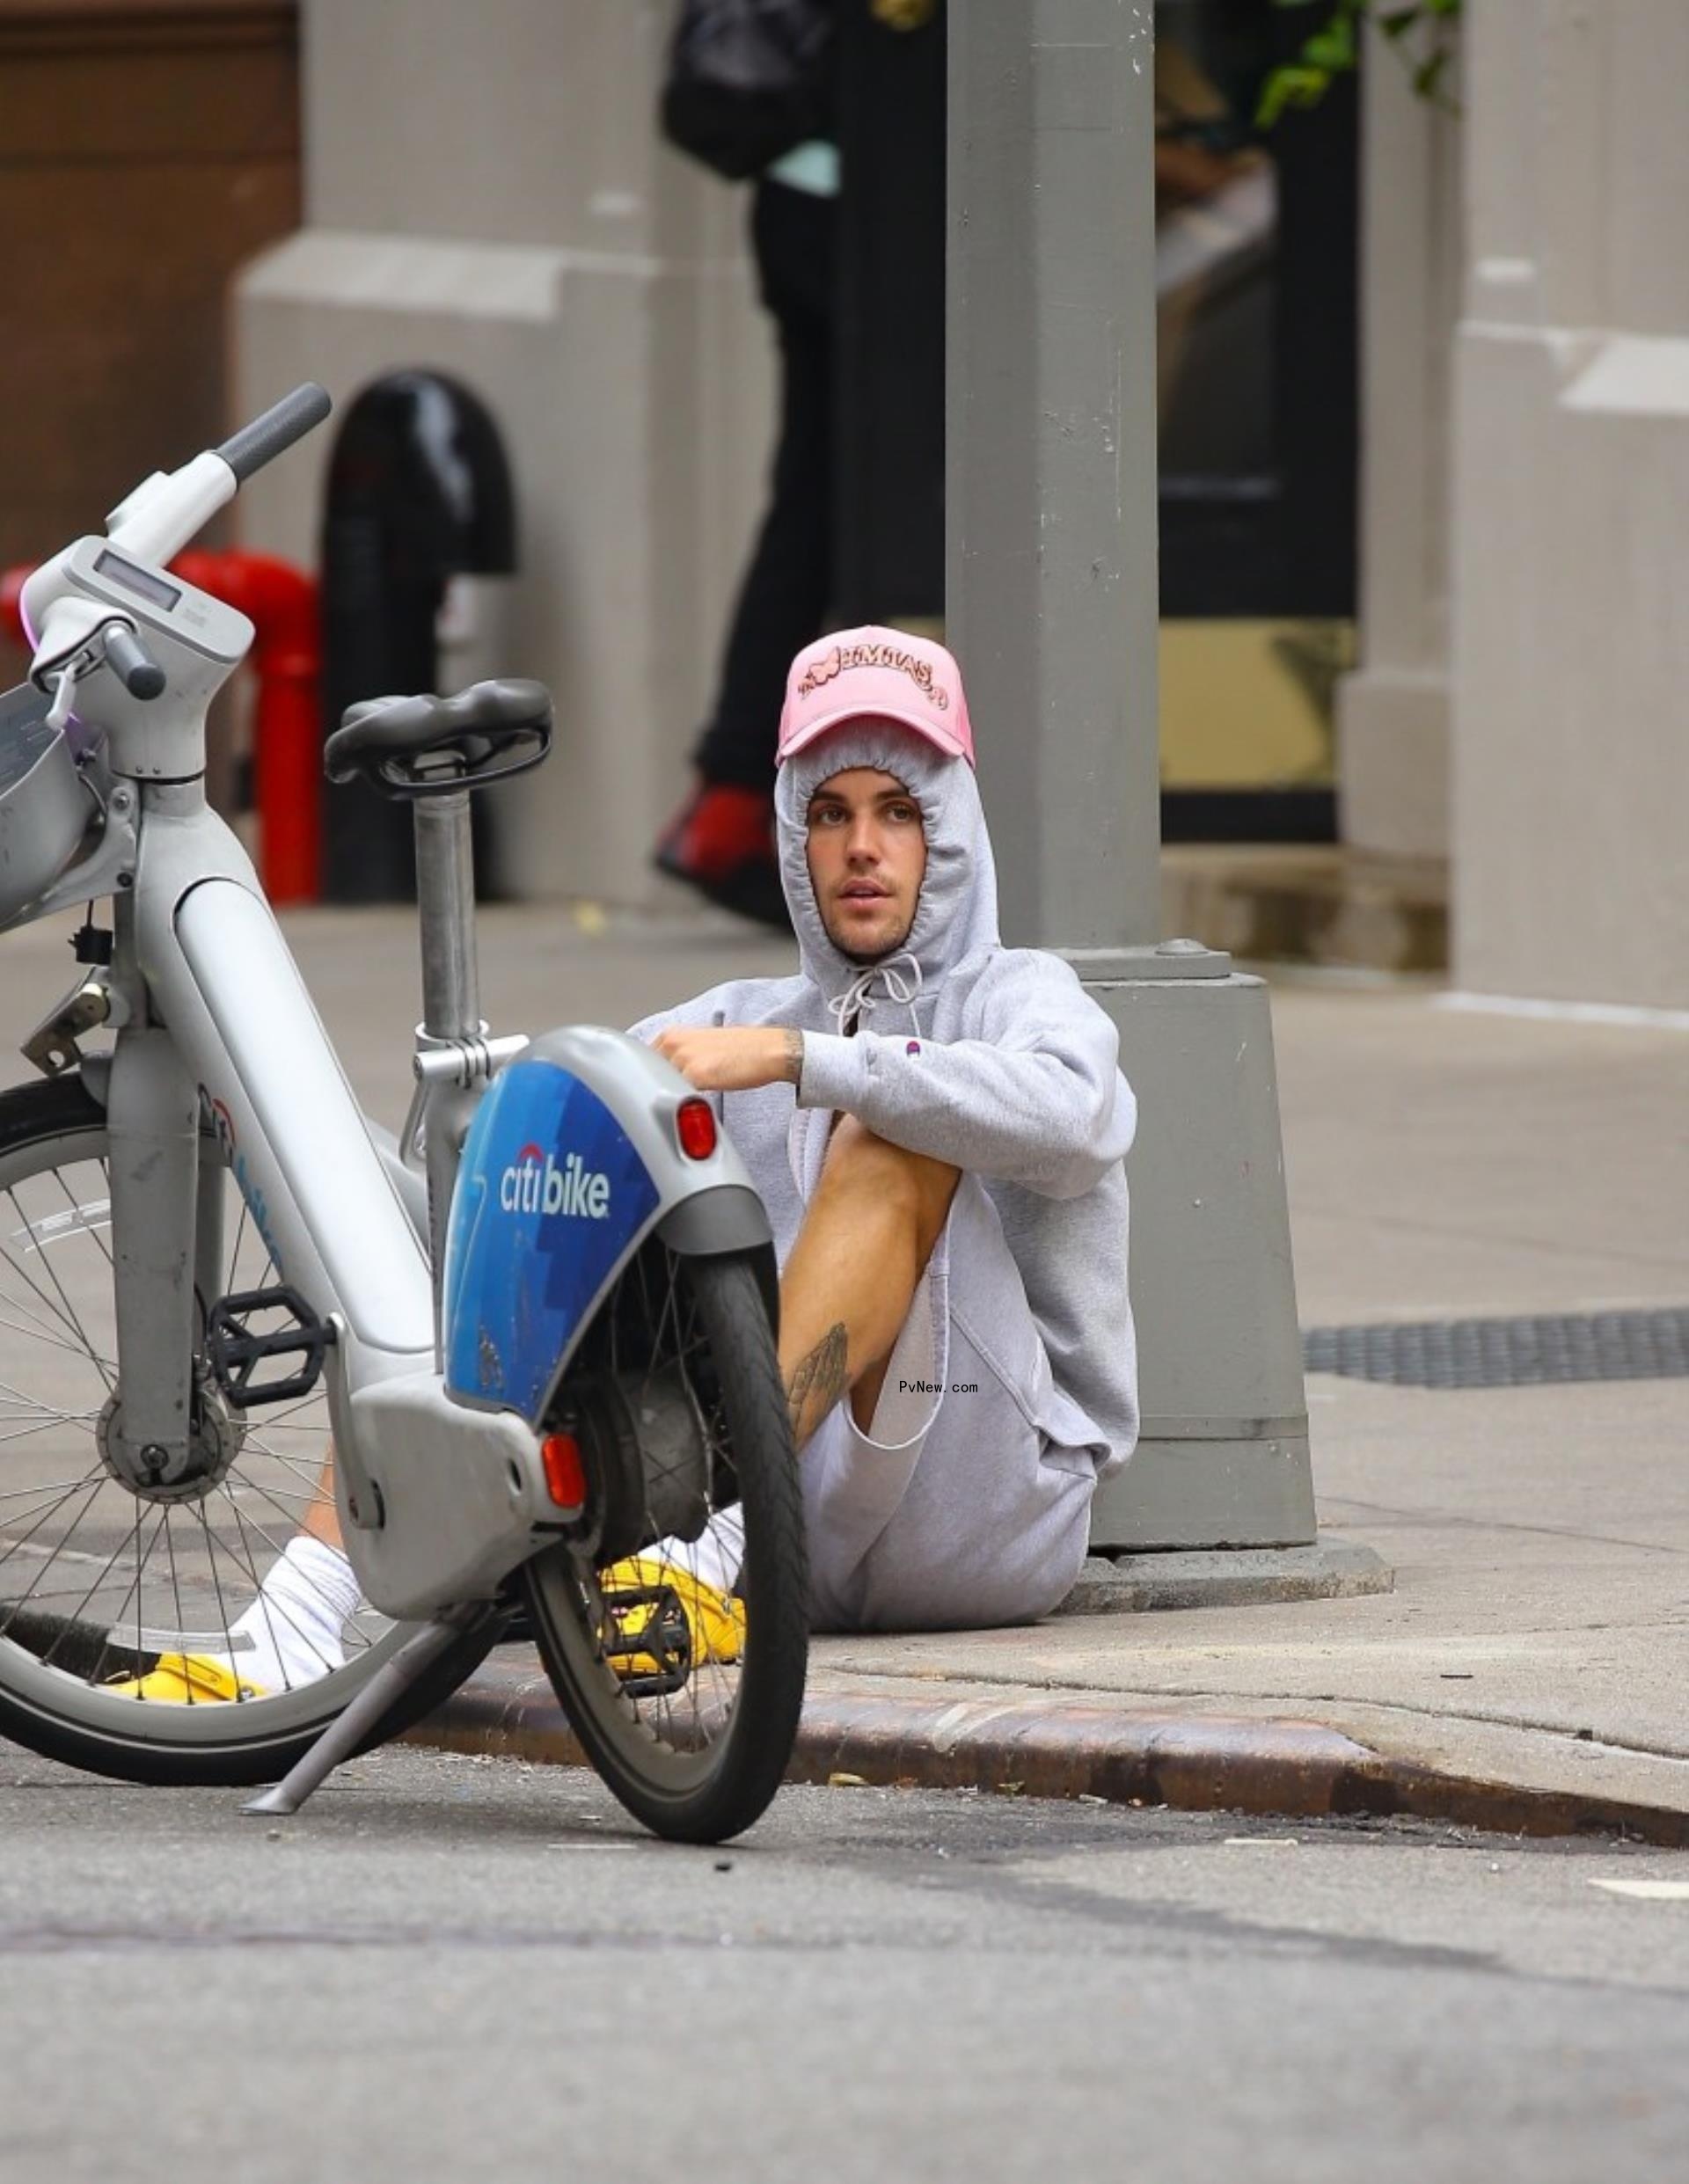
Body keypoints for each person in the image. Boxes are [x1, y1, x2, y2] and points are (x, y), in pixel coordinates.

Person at [632, 625, 1138, 1631]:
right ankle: (306, 1609)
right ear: (793, 835)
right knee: (534, 1168)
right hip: (776, 1518)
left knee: (898, 1126)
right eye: (830, 812)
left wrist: (811, 1065)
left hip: (986, 1502)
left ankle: (721, 1519)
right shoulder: (734, 1018)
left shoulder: (1024, 996)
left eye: (899, 810)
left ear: (949, 831)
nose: (863, 846)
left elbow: (1079, 1117)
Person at [652, 130, 839, 931]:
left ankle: (731, 797)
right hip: (856, 202)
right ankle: (734, 801)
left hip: (808, 192)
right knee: (831, 502)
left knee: (819, 501)